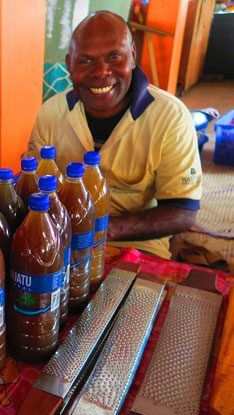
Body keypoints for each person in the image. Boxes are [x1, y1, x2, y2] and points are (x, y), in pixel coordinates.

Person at [28, 11, 202, 260]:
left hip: (137, 247)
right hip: (61, 242)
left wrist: (103, 230)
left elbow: (183, 212)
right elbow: (34, 187)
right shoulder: (51, 113)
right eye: (85, 61)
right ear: (69, 65)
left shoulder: (170, 117)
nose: (101, 72)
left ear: (132, 55)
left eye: (114, 56)